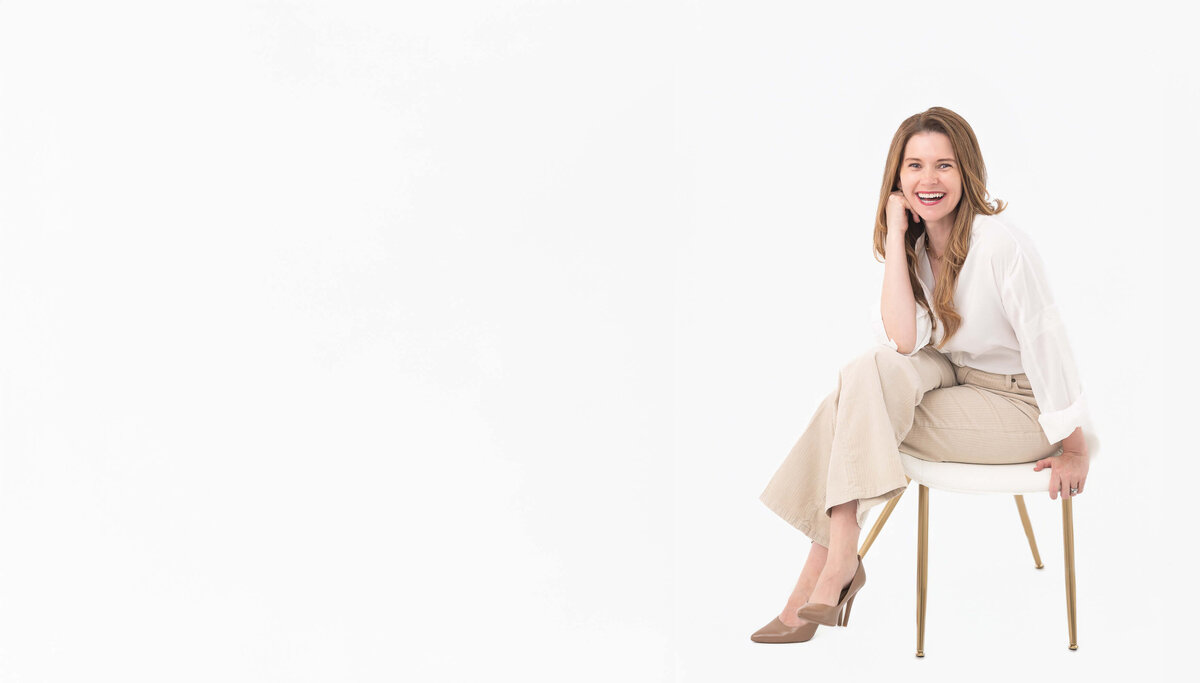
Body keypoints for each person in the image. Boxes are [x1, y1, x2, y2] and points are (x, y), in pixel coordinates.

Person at [750, 106, 1099, 644]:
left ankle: (822, 576)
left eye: (944, 166)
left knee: (856, 412)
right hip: (957, 377)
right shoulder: (914, 247)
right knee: (866, 371)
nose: (928, 180)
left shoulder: (1000, 245)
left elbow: (1046, 340)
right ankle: (840, 556)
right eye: (914, 166)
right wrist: (895, 233)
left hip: (1019, 404)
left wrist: (1076, 445)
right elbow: (902, 342)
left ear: (968, 174)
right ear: (897, 177)